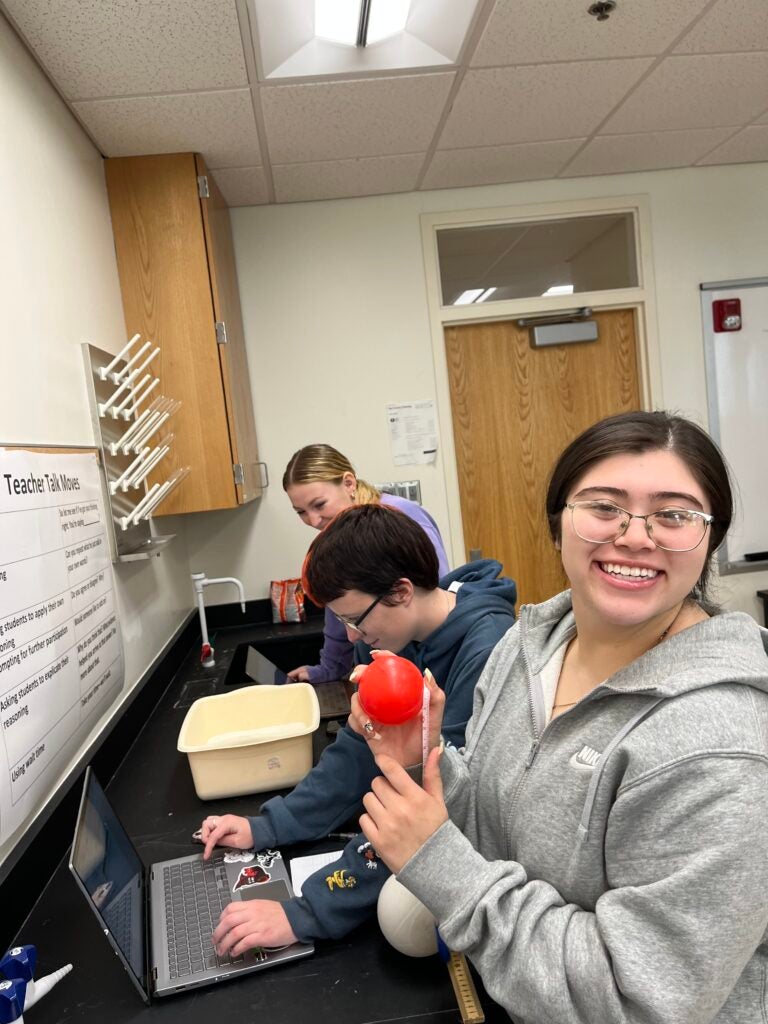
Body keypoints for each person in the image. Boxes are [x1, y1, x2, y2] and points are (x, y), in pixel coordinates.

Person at [355, 410, 768, 1024]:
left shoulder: (719, 749)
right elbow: (503, 829)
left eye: (674, 515)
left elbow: (637, 1001)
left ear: (708, 539)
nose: (635, 536)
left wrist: (443, 868)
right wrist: (421, 757)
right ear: (558, 525)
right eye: (604, 506)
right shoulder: (528, 648)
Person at [199, 503, 517, 952]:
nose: (349, 638)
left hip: (474, 842)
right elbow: (355, 750)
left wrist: (306, 912)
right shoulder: (395, 638)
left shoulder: (487, 651)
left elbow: (425, 805)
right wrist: (269, 827)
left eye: (354, 619)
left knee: (400, 922)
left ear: (402, 591)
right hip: (428, 818)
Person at [281, 444, 449, 684]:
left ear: (349, 483)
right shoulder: (337, 535)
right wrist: (328, 669)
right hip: (385, 668)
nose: (313, 520)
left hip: (428, 668)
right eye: (301, 512)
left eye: (319, 505)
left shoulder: (402, 518)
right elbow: (342, 612)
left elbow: (435, 595)